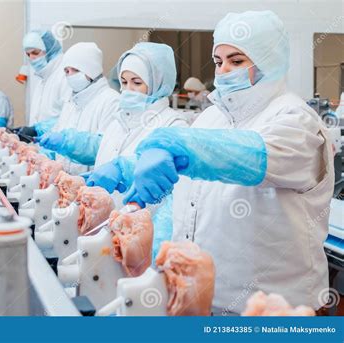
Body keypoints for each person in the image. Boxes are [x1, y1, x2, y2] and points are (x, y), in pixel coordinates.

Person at [124, 10, 334, 314]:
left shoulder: (296, 119)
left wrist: (179, 145)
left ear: (269, 60)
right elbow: (190, 185)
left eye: (237, 61)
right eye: (218, 61)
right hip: (207, 298)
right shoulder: (213, 115)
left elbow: (249, 156)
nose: (224, 71)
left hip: (274, 307)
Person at [38, 42, 188, 200]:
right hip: (106, 219)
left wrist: (122, 170)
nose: (127, 89)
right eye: (124, 82)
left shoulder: (173, 125)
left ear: (158, 84)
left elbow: (166, 180)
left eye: (136, 83)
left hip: (142, 220)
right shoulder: (118, 122)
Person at [39, 42, 119, 175]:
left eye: (75, 70)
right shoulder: (71, 101)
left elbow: (103, 149)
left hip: (90, 188)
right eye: (66, 71)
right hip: (65, 184)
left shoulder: (111, 101)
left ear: (91, 70)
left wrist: (67, 143)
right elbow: (58, 132)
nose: (70, 75)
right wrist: (47, 156)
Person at [16, 30, 70, 141]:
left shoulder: (64, 76)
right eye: (28, 54)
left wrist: (37, 130)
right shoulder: (42, 78)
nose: (31, 58)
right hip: (40, 149)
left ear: (50, 49)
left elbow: (68, 118)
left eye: (35, 53)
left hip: (56, 149)